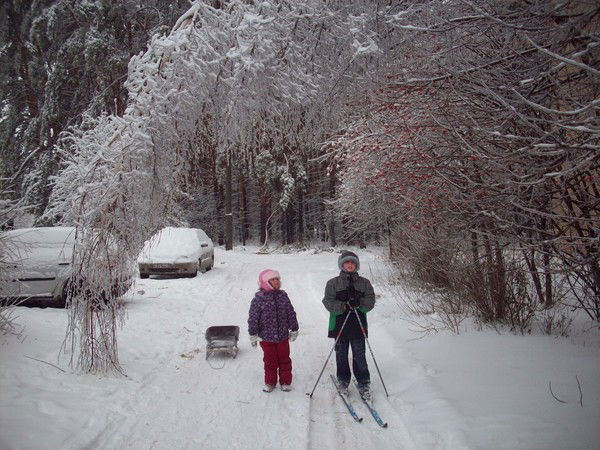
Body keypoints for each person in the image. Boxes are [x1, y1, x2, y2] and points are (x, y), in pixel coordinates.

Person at [322, 250, 375, 400]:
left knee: (359, 355)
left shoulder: (364, 283)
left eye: (353, 262)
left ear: (356, 265)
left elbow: (371, 300)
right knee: (341, 355)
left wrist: (359, 303)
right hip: (339, 324)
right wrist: (343, 306)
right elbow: (327, 301)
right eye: (347, 262)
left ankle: (364, 382)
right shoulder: (333, 283)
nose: (350, 265)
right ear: (342, 264)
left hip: (358, 324)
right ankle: (343, 381)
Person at [248, 269, 299, 392]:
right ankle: (270, 382)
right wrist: (253, 334)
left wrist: (294, 328)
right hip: (266, 337)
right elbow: (253, 317)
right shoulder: (259, 299)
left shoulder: (283, 296)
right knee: (270, 361)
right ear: (265, 283)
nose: (276, 281)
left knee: (284, 359)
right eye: (273, 279)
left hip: (282, 336)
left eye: (277, 279)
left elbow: (290, 312)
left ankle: (286, 381)